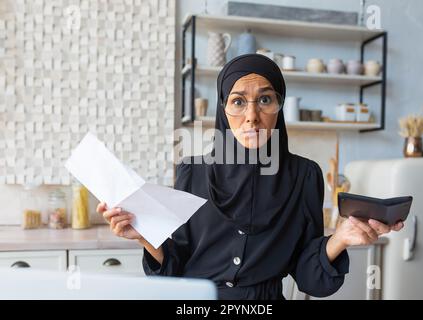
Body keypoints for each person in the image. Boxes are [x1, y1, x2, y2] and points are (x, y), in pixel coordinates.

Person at [97, 54, 403, 300]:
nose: (252, 116)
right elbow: (175, 265)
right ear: (223, 108)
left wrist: (340, 239)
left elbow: (310, 278)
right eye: (238, 101)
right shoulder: (193, 171)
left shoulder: (304, 176)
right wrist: (145, 236)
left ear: (279, 108)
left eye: (265, 100)